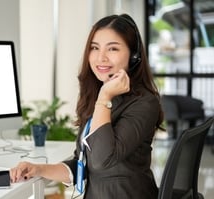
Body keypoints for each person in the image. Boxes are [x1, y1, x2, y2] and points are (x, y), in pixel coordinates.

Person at [10, 13, 164, 199]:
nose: (101, 58)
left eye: (113, 49)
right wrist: (39, 169)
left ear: (134, 56)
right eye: (94, 48)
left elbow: (101, 160)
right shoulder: (98, 97)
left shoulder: (144, 102)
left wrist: (104, 96)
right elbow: (83, 164)